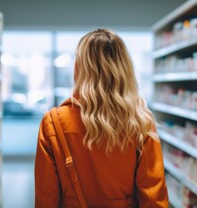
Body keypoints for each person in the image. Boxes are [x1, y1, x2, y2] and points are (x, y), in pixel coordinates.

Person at [35, 29, 168, 208]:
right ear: (124, 69)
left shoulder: (53, 122)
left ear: (79, 68)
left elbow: (46, 198)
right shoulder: (140, 121)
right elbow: (153, 199)